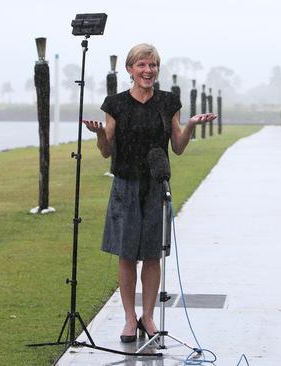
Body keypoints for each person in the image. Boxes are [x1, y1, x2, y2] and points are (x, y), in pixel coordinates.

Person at [83, 43, 217, 343]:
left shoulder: (168, 102)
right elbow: (106, 152)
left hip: (156, 186)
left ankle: (149, 316)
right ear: (130, 70)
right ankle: (130, 319)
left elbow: (178, 147)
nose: (148, 70)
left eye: (153, 65)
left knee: (153, 256)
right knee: (127, 255)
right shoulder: (115, 104)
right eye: (142, 65)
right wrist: (100, 135)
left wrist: (192, 124)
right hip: (126, 186)